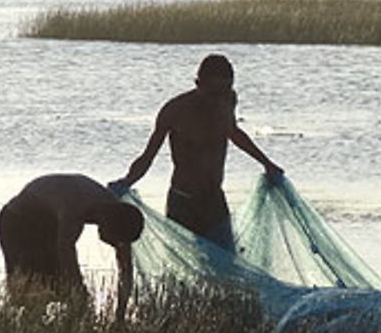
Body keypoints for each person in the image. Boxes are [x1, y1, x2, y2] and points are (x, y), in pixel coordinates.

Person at [109, 54, 283, 252]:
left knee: (226, 262)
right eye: (213, 92)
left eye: (224, 90)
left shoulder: (228, 100)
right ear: (198, 84)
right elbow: (148, 156)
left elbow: (233, 132)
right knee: (183, 263)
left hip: (214, 199)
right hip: (183, 202)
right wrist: (127, 181)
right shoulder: (175, 110)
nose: (218, 98)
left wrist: (266, 163)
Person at [0, 173, 144, 321]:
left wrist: (120, 315)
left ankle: (61, 330)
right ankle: (25, 330)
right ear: (108, 225)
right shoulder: (75, 208)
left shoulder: (117, 211)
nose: (117, 245)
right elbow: (65, 251)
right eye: (117, 241)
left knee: (57, 288)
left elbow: (126, 269)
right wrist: (79, 289)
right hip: (17, 222)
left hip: (49, 223)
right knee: (31, 288)